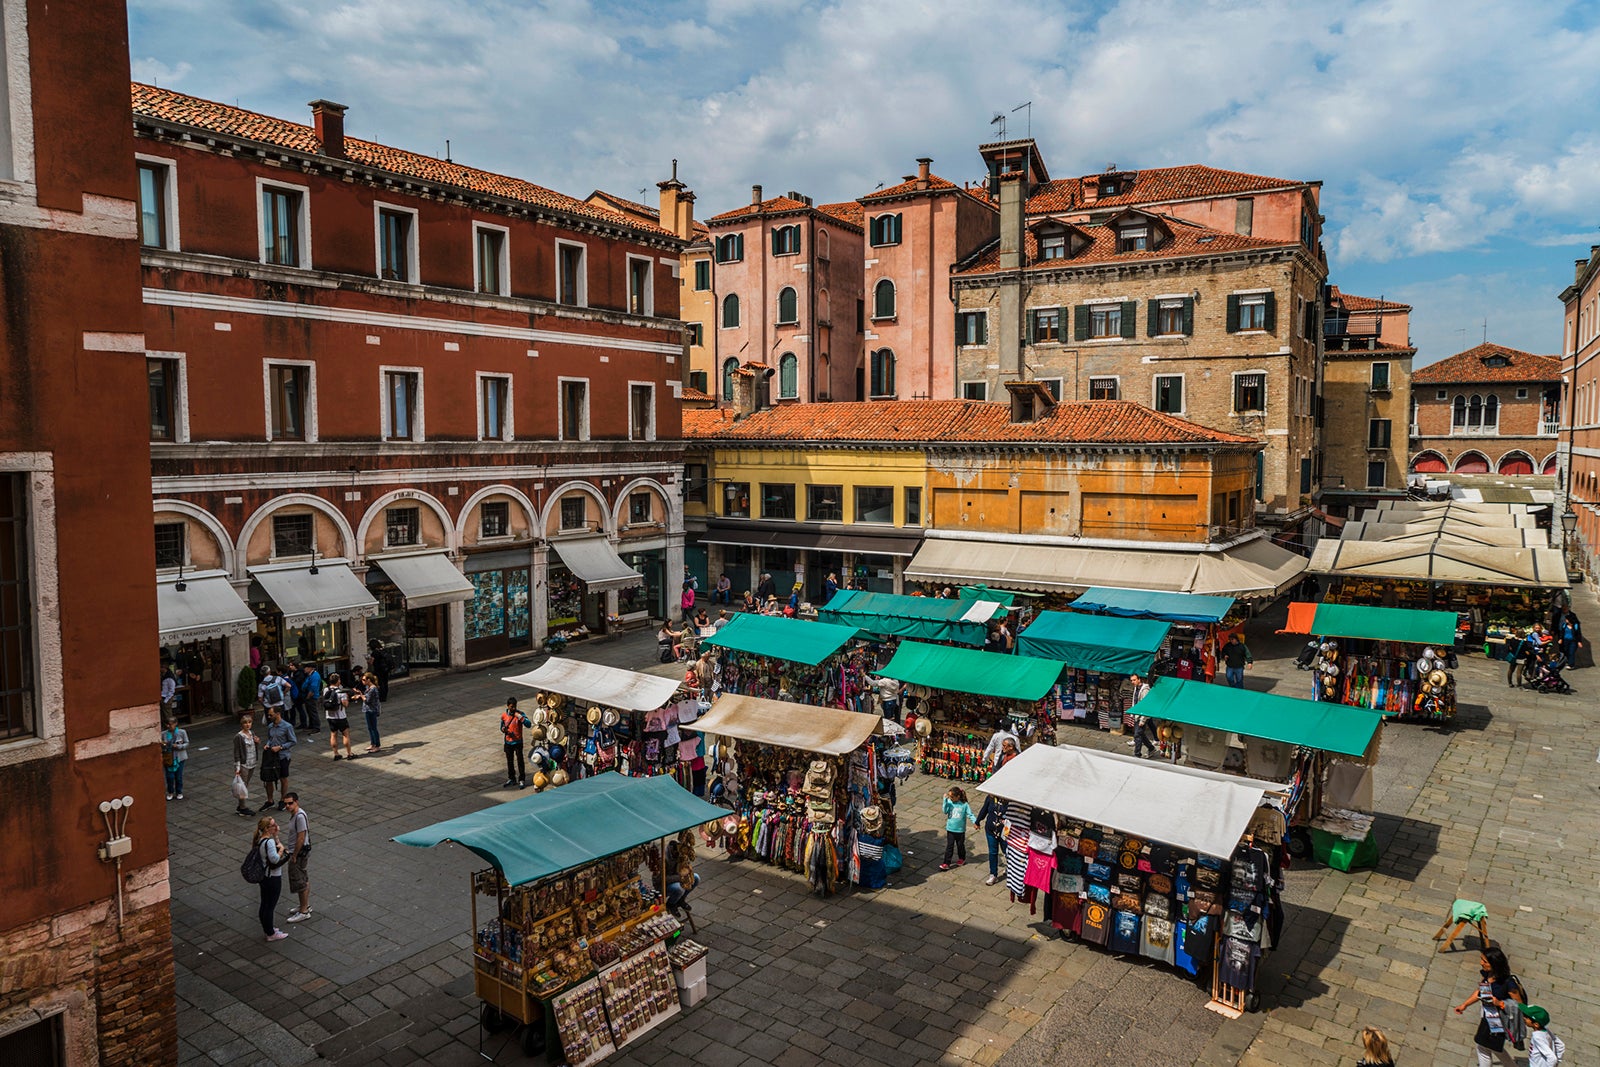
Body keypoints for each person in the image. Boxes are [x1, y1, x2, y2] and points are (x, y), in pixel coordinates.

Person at [1454, 944, 1524, 1067]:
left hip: (1500, 1020)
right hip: (1488, 1016)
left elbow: (1520, 1006)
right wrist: (1465, 1005)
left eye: (1484, 961)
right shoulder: (1487, 974)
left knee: (1483, 1046)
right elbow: (1480, 991)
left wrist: (1500, 1003)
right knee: (1493, 1047)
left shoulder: (1508, 984)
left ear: (1494, 964)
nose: (1481, 963)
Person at [254, 816, 290, 942]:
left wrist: (276, 836)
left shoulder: (260, 839)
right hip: (272, 877)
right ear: (267, 828)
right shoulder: (268, 842)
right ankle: (270, 933)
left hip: (264, 877)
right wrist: (280, 851)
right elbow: (274, 859)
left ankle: (267, 928)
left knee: (264, 903)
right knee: (270, 906)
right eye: (273, 825)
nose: (276, 826)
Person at [282, 792, 313, 924]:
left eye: (290, 803)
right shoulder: (296, 815)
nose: (288, 806)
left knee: (299, 880)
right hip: (298, 853)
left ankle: (304, 911)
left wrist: (294, 855)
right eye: (286, 803)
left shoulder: (299, 817)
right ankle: (303, 906)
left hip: (299, 854)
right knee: (303, 878)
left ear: (296, 802)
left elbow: (301, 837)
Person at [261, 706, 297, 811]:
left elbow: (293, 741)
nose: (269, 716)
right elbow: (270, 739)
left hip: (283, 756)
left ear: (278, 714)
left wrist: (280, 747)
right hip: (271, 756)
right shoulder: (270, 726)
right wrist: (267, 745)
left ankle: (282, 800)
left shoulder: (287, 726)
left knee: (283, 778)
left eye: (271, 715)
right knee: (268, 778)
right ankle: (270, 800)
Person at [977, 793, 1008, 886]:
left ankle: (1010, 869)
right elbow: (984, 810)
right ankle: (993, 874)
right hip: (990, 830)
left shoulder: (1010, 802)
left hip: (1004, 832)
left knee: (1007, 852)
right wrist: (978, 821)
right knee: (993, 852)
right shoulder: (990, 798)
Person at [664, 829, 699, 914]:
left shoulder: (680, 853)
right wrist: (680, 877)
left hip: (678, 877)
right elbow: (662, 879)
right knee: (679, 888)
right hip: (665, 884)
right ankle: (671, 904)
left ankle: (681, 899)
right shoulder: (664, 859)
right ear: (673, 852)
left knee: (696, 878)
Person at [322, 672, 355, 760]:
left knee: (333, 734)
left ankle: (336, 754)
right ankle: (349, 753)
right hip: (340, 716)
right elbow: (345, 704)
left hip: (329, 716)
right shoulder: (341, 691)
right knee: (345, 734)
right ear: (338, 681)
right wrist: (348, 698)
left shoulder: (326, 690)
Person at [232, 714, 260, 817]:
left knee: (246, 784)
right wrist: (237, 767)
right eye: (245, 723)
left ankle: (240, 806)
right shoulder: (239, 737)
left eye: (249, 722)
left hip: (252, 762)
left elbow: (253, 746)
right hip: (244, 764)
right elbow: (237, 752)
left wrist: (257, 742)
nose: (247, 725)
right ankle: (242, 808)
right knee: (243, 786)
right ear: (242, 724)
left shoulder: (252, 733)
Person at [940, 786, 974, 870]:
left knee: (960, 845)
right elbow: (945, 811)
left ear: (958, 796)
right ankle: (946, 863)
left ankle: (962, 858)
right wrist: (944, 801)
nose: (950, 798)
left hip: (960, 830)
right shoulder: (949, 802)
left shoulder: (964, 805)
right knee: (949, 846)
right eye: (949, 796)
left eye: (952, 797)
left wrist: (975, 822)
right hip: (950, 829)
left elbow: (970, 814)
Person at [501, 697, 531, 788]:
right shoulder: (504, 716)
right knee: (509, 762)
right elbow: (501, 727)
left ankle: (521, 779)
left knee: (520, 761)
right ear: (508, 706)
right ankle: (511, 778)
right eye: (511, 707)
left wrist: (520, 718)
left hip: (518, 742)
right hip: (508, 742)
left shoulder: (520, 714)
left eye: (514, 706)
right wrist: (504, 730)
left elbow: (528, 724)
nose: (513, 708)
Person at [1128, 674, 1158, 759]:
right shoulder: (1136, 688)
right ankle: (1151, 748)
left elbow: (1146, 706)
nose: (1132, 682)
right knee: (1140, 734)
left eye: (1134, 680)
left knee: (1137, 734)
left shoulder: (1145, 690)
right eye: (1131, 680)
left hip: (1142, 716)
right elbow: (1135, 700)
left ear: (1139, 679)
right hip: (1137, 715)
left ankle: (1137, 754)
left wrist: (1143, 720)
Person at [161, 715, 189, 801]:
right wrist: (165, 745)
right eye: (167, 724)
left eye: (171, 724)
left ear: (176, 724)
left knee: (178, 776)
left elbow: (187, 743)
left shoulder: (182, 732)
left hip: (179, 758)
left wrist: (178, 746)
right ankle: (170, 792)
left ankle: (179, 792)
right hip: (168, 758)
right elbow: (161, 746)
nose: (169, 726)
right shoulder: (163, 734)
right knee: (170, 777)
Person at [360, 671, 383, 753]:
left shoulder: (373, 689)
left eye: (364, 680)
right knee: (370, 728)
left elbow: (367, 700)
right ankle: (372, 743)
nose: (362, 681)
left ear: (369, 680)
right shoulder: (368, 687)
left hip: (372, 710)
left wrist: (361, 695)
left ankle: (377, 745)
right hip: (368, 710)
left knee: (373, 728)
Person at [298, 663, 323, 732]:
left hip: (312, 697)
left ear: (311, 668)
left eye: (306, 668)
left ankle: (316, 727)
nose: (304, 669)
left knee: (313, 712)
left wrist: (308, 697)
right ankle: (311, 725)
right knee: (309, 712)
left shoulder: (315, 676)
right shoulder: (310, 675)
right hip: (307, 696)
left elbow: (313, 689)